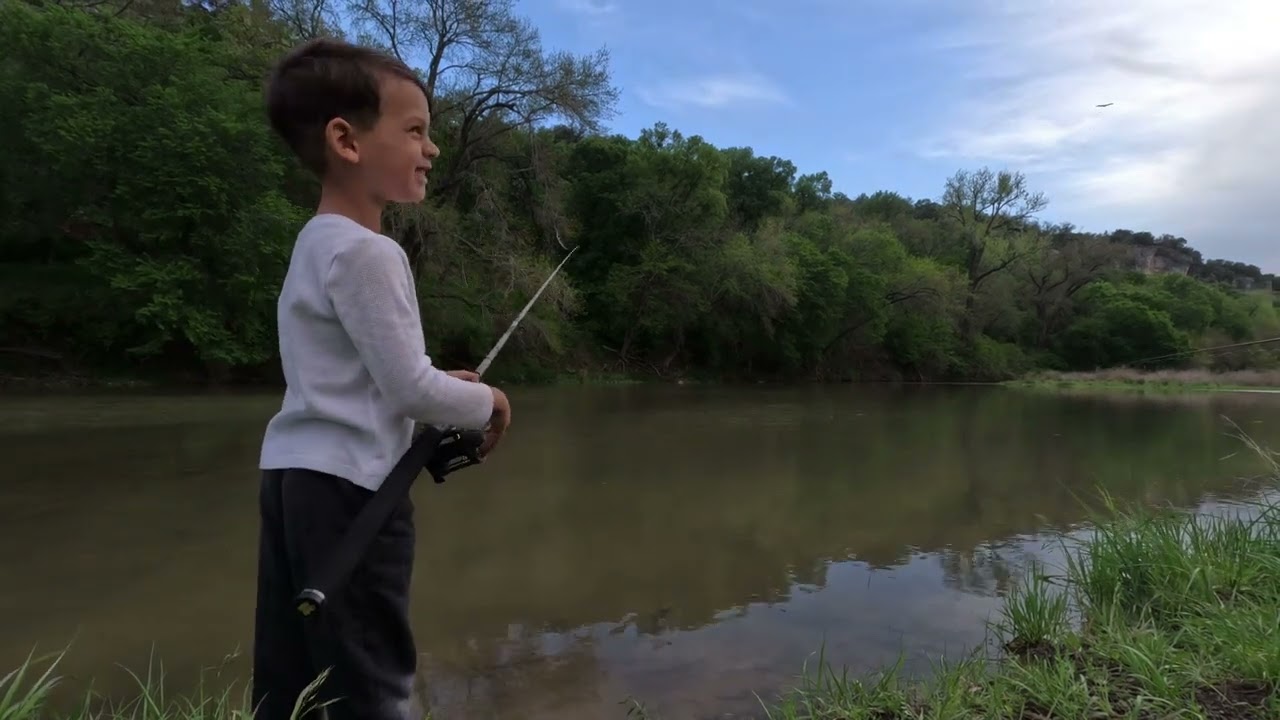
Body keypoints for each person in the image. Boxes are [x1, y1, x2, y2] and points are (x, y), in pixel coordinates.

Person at [251, 37, 512, 720]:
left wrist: (436, 382)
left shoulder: (315, 243)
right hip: (354, 496)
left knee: (291, 676)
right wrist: (488, 400)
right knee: (372, 680)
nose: (431, 150)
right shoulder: (370, 252)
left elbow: (369, 375)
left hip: (291, 481)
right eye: (416, 131)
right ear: (347, 140)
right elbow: (412, 392)